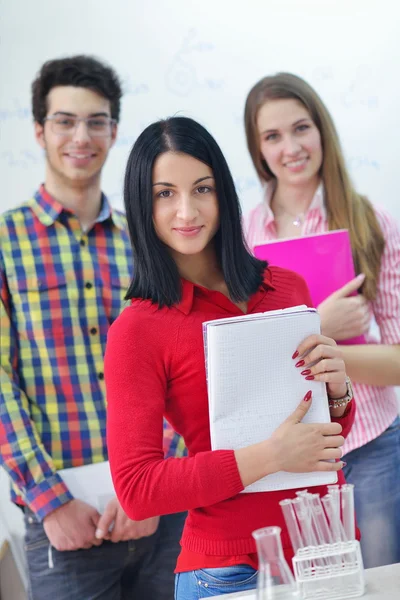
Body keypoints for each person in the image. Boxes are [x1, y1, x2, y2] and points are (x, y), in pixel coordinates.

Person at [104, 116, 356, 599]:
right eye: (164, 194)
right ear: (141, 205)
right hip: (229, 572)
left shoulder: (287, 288)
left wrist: (339, 391)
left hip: (327, 547)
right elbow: (137, 490)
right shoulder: (136, 331)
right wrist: (268, 457)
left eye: (202, 188)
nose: (186, 210)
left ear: (223, 192)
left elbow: (324, 435)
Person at [0, 55, 186, 600]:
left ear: (114, 130)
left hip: (163, 517)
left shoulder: (149, 240)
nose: (81, 136)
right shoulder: (5, 243)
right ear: (39, 129)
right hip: (65, 525)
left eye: (96, 121)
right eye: (64, 120)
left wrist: (155, 489)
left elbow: (185, 364)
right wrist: (49, 499)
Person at [243, 72, 400, 568]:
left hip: (370, 449)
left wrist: (321, 346)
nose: (290, 147)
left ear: (322, 131)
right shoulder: (242, 236)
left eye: (301, 128)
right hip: (287, 457)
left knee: (380, 584)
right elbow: (242, 362)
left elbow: (398, 363)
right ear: (258, 149)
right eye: (272, 136)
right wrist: (317, 327)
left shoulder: (369, 221)